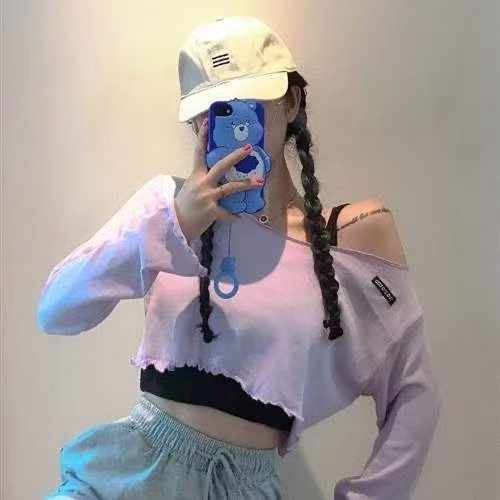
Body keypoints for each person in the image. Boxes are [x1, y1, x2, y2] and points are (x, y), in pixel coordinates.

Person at [39, 16, 441, 500]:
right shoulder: (167, 207)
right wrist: (177, 222)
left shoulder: (349, 235)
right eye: (209, 113)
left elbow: (413, 394)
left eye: (244, 104)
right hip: (126, 477)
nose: (229, 127)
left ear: (291, 102)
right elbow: (56, 310)